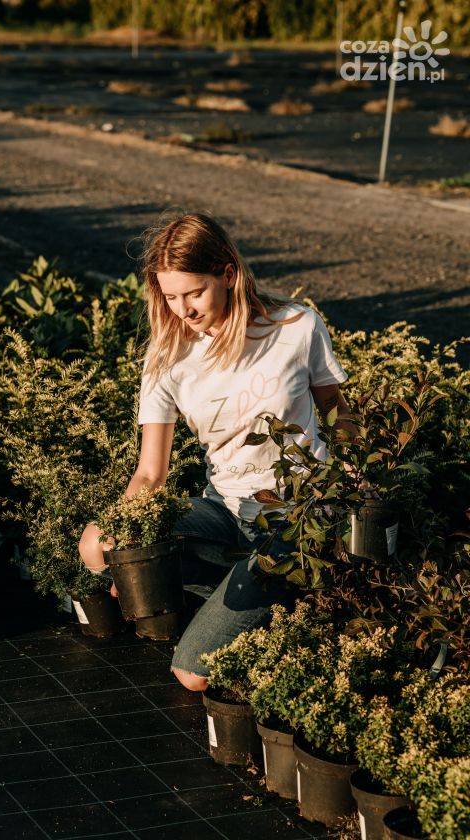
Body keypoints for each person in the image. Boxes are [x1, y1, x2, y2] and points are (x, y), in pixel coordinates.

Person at [79, 212, 351, 692]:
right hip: (223, 510)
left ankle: (272, 595)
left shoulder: (296, 327)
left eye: (194, 292)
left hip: (298, 517)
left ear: (228, 274)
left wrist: (359, 485)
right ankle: (247, 588)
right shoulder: (167, 357)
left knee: (191, 675)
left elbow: (339, 415)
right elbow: (150, 472)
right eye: (170, 296)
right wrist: (113, 530)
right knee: (106, 551)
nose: (182, 309)